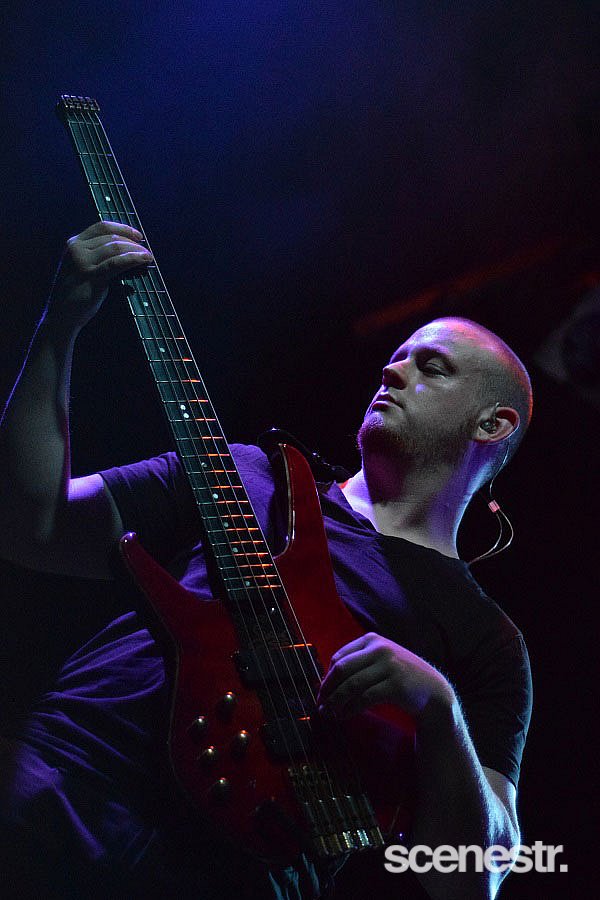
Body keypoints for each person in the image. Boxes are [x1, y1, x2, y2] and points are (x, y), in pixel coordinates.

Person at [0, 221, 532, 899]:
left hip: (236, 875)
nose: (392, 370)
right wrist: (59, 327)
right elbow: (31, 525)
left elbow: (472, 877)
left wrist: (439, 708)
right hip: (63, 777)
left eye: (432, 367)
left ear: (492, 423)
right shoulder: (248, 473)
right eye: (396, 358)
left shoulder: (486, 641)